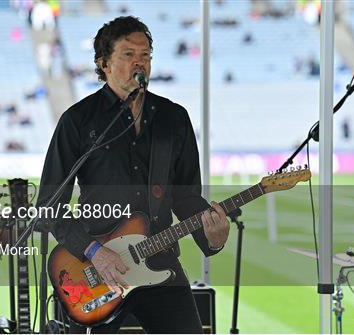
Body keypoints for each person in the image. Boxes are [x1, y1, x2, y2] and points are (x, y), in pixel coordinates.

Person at [37, 16, 230, 333]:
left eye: (146, 55)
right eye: (128, 54)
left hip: (161, 263)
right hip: (97, 268)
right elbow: (49, 203)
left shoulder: (174, 118)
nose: (139, 63)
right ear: (104, 64)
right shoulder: (78, 121)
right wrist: (94, 252)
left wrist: (212, 239)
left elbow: (185, 197)